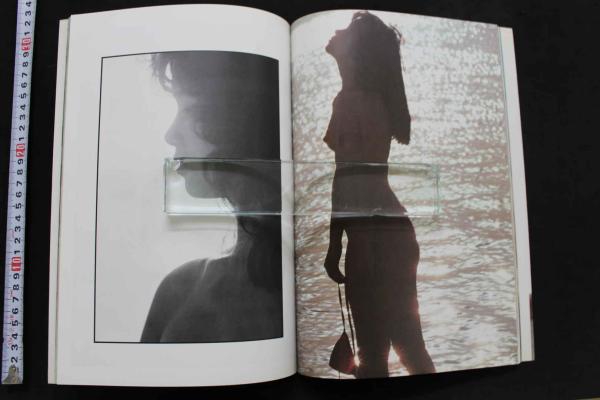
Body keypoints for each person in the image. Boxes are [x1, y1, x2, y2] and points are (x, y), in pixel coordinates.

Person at [141, 51, 283, 343]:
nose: (171, 134)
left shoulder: (181, 292)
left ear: (241, 123)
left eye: (191, 109)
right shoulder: (179, 290)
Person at [323, 11, 436, 377]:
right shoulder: (370, 100)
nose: (336, 30)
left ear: (356, 52)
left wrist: (334, 246)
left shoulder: (350, 102)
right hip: (392, 233)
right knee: (409, 348)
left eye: (346, 30)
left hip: (372, 239)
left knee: (374, 357)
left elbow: (346, 177)